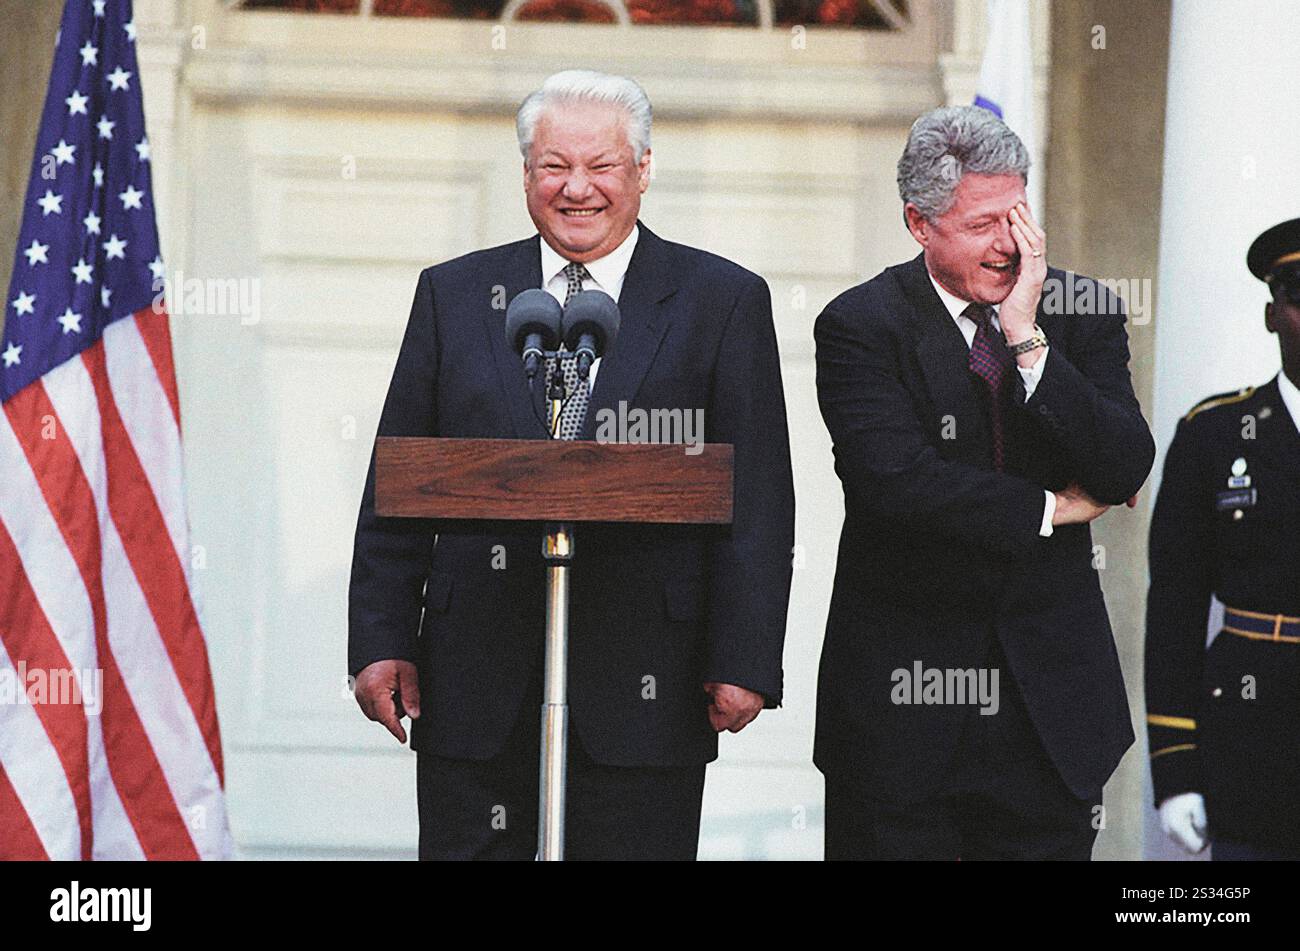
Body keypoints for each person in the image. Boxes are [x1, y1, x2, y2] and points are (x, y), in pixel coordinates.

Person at [347, 70, 795, 860]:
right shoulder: (454, 295)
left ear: (644, 170)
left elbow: (757, 495)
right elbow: (399, 481)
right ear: (525, 174)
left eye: (603, 167)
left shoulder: (720, 300)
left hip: (645, 682)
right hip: (478, 677)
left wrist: (744, 658)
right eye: (554, 166)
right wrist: (381, 637)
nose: (576, 188)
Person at [812, 105, 1154, 860]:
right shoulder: (860, 324)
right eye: (980, 225)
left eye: (1017, 217)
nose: (1007, 245)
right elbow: (896, 483)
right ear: (918, 223)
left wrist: (1028, 337)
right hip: (903, 719)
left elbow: (1126, 464)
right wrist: (1048, 508)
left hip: (1050, 717)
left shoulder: (1079, 309)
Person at [1145, 217, 1300, 862]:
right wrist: (1175, 768)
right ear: (1273, 314)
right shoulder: (1214, 435)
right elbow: (1175, 607)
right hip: (1252, 743)